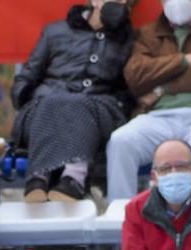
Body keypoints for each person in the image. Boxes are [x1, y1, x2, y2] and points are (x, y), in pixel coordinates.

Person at [11, 0, 135, 202]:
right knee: (49, 100)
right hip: (46, 106)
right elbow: (26, 77)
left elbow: (129, 88)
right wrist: (26, 102)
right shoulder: (55, 31)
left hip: (98, 109)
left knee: (80, 103)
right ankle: (38, 177)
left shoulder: (130, 40)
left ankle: (73, 178)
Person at [106, 0, 191, 200]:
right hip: (156, 116)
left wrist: (162, 87)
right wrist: (184, 60)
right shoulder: (147, 33)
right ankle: (121, 214)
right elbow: (135, 75)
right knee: (121, 141)